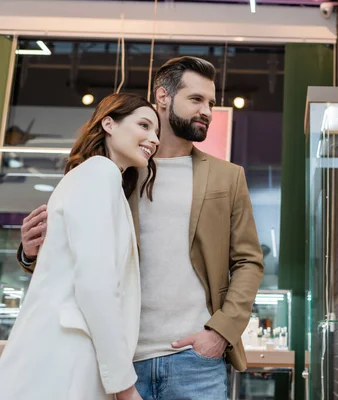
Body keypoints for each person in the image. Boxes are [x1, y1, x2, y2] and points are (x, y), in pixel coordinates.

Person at [18, 56, 264, 399]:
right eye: (196, 99)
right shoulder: (117, 173)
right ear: (163, 97)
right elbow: (83, 264)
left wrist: (219, 333)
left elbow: (249, 262)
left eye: (210, 102)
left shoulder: (227, 176)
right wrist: (31, 254)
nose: (206, 110)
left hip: (194, 361)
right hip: (118, 358)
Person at [0, 93, 160, 400]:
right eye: (144, 125)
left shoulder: (99, 179)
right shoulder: (99, 172)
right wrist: (125, 388)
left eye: (156, 132)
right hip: (67, 358)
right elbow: (95, 285)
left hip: (64, 356)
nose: (153, 139)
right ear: (109, 124)